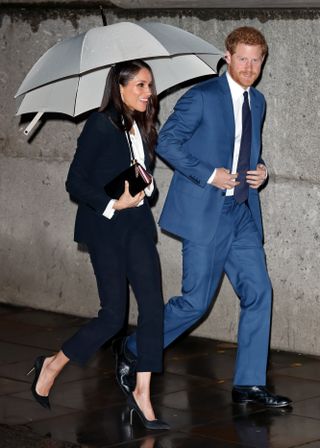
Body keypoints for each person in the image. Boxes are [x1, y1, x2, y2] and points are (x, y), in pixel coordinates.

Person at [115, 27, 292, 408]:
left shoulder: (257, 101)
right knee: (195, 302)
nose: (248, 66)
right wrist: (210, 174)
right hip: (206, 212)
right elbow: (167, 141)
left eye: (255, 59)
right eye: (241, 58)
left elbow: (246, 149)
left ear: (263, 62)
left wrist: (261, 170)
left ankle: (249, 385)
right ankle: (133, 347)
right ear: (227, 57)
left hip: (242, 212)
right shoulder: (202, 96)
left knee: (259, 292)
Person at [27, 59, 169, 430]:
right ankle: (53, 364)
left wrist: (146, 184)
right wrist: (112, 204)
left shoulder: (142, 126)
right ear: (119, 87)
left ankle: (142, 393)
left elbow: (140, 175)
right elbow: (75, 182)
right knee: (113, 316)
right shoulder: (99, 125)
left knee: (153, 309)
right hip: (106, 227)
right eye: (139, 85)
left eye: (149, 85)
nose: (147, 92)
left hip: (137, 226)